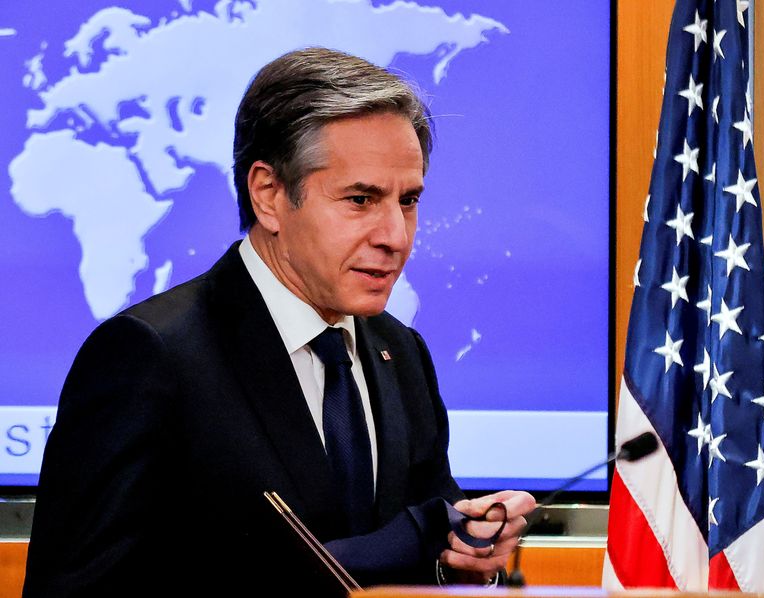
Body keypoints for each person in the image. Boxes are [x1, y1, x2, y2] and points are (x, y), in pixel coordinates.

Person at [23, 47, 535, 597]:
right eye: (361, 199)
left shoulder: (401, 351)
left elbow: (428, 553)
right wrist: (402, 541)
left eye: (407, 201)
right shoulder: (150, 355)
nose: (397, 236)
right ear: (268, 195)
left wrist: (462, 555)